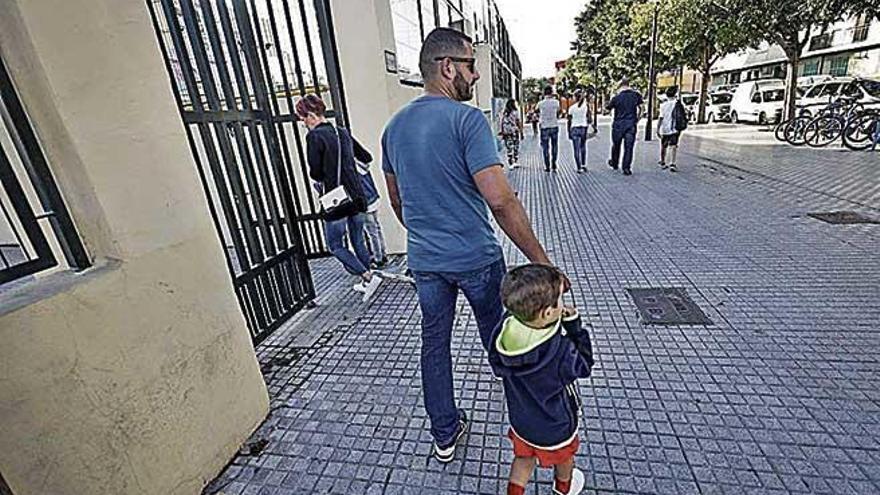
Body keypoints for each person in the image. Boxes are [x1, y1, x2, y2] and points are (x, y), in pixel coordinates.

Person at [381, 27, 558, 464]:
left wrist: (424, 236)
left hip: (426, 263)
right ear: (447, 67)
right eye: (470, 66)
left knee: (434, 344)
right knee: (499, 335)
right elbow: (500, 199)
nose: (476, 76)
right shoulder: (467, 121)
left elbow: (398, 198)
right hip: (476, 258)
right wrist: (542, 263)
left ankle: (444, 433)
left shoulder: (394, 128)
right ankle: (527, 419)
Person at [490, 264, 594, 495]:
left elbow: (497, 365)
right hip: (555, 425)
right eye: (559, 300)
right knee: (564, 458)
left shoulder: (504, 331)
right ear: (547, 313)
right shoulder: (559, 352)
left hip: (522, 421)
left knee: (523, 458)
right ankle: (563, 488)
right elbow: (585, 365)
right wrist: (574, 327)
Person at [297, 94, 382, 302]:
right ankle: (366, 282)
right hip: (358, 196)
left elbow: (315, 172)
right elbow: (366, 157)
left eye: (302, 117)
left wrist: (323, 174)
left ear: (310, 115)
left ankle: (367, 276)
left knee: (335, 245)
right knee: (357, 239)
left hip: (337, 199)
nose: (302, 122)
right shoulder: (341, 132)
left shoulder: (314, 137)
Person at [605, 77, 644, 176]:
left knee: (616, 145)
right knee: (629, 147)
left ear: (620, 85)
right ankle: (626, 168)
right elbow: (642, 108)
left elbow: (608, 108)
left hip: (618, 124)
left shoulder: (617, 97)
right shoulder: (636, 95)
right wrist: (637, 119)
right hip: (631, 124)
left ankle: (614, 163)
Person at [355, 159, 389, 267]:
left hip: (366, 204)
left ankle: (378, 258)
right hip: (374, 199)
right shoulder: (362, 165)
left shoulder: (353, 169)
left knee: (372, 232)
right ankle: (383, 254)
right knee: (377, 229)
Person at [567, 88, 597, 173]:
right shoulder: (586, 106)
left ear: (575, 97)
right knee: (583, 147)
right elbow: (590, 118)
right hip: (583, 128)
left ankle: (579, 167)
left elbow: (569, 121)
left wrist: (568, 132)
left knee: (576, 149)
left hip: (574, 129)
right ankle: (584, 165)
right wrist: (593, 127)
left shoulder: (571, 108)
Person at [537, 86, 561, 172]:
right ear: (551, 92)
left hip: (544, 127)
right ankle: (554, 163)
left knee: (545, 147)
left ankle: (547, 166)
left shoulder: (540, 103)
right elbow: (559, 111)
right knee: (554, 146)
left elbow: (537, 111)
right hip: (554, 126)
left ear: (544, 93)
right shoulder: (556, 102)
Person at [657, 86, 681, 172]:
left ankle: (663, 162)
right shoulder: (677, 104)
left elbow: (661, 117)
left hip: (665, 128)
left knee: (664, 146)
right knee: (674, 146)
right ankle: (672, 163)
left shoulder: (663, 105)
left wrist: (658, 128)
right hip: (675, 128)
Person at [499, 98, 523, 170]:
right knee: (516, 146)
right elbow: (518, 122)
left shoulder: (504, 113)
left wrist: (502, 132)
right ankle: (515, 161)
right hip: (514, 132)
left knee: (509, 147)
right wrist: (521, 132)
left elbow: (501, 123)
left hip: (507, 133)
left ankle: (511, 163)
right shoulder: (515, 112)